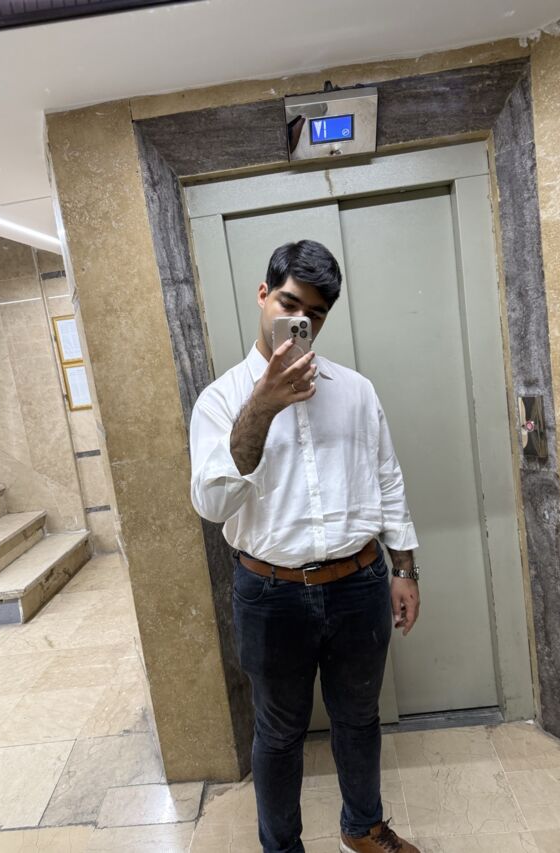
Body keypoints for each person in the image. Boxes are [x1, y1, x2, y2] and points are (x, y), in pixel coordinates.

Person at [190, 239, 421, 853]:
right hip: (270, 594)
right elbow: (212, 504)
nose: (300, 321)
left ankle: (363, 829)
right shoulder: (220, 400)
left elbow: (388, 478)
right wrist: (262, 407)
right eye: (289, 304)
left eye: (314, 314)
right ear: (263, 295)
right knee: (278, 734)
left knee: (360, 718)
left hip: (359, 584)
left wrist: (404, 568)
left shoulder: (356, 390)